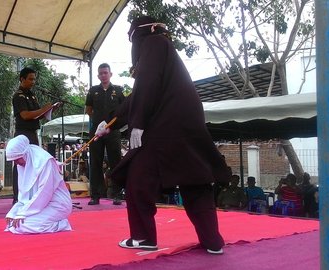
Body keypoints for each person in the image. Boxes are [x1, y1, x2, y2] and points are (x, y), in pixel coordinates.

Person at [96, 17, 230, 254]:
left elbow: (147, 85)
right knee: (195, 181)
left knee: (137, 180)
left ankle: (144, 237)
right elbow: (138, 94)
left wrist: (137, 123)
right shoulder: (167, 52)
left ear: (138, 36)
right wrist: (109, 123)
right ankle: (213, 242)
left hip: (164, 129)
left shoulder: (153, 44)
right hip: (188, 127)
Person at [4, 135, 72, 234]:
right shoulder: (23, 163)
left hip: (57, 204)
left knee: (23, 225)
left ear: (25, 153)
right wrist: (14, 212)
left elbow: (44, 193)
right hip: (39, 205)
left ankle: (61, 224)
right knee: (14, 223)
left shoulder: (44, 162)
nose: (16, 163)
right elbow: (24, 195)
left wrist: (23, 213)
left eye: (17, 159)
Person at [11, 67, 55, 203]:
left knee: (33, 165)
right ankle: (17, 197)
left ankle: (31, 195)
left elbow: (37, 115)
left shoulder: (32, 95)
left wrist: (50, 110)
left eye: (34, 79)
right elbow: (25, 115)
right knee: (21, 164)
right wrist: (43, 109)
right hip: (23, 134)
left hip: (33, 133)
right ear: (22, 79)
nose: (33, 82)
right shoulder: (18, 96)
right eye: (30, 79)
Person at [85, 63, 125, 206]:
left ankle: (117, 194)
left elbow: (124, 109)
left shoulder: (118, 90)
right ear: (98, 75)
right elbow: (88, 109)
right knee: (95, 162)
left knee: (116, 162)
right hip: (97, 131)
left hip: (113, 131)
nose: (103, 75)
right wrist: (97, 119)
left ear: (110, 74)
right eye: (100, 73)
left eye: (105, 73)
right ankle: (95, 195)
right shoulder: (93, 90)